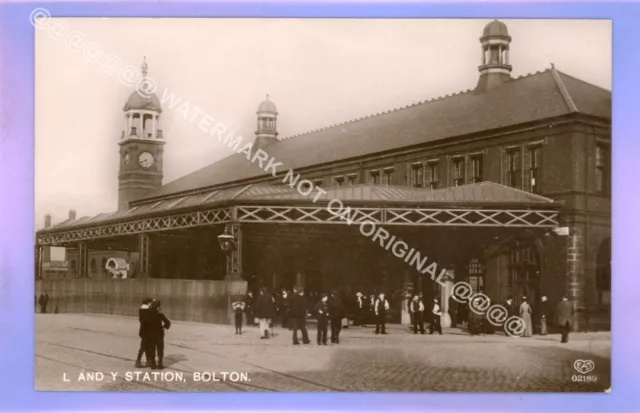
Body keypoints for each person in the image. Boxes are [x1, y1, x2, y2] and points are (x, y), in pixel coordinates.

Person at [146, 300, 171, 370]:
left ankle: (153, 364)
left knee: (152, 349)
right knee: (160, 349)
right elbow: (168, 323)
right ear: (157, 307)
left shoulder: (148, 315)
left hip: (151, 335)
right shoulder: (160, 315)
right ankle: (160, 364)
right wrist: (164, 327)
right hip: (159, 335)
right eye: (159, 307)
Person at [135, 298, 152, 368]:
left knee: (145, 346)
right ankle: (138, 361)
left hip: (142, 331)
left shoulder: (141, 310)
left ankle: (148, 361)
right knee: (144, 346)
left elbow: (141, 320)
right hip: (147, 331)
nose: (151, 304)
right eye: (150, 303)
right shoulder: (148, 310)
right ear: (148, 303)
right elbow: (148, 321)